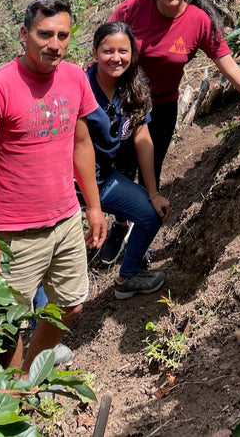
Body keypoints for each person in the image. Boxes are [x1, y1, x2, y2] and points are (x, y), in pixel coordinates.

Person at [100, 0, 240, 264]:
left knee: (152, 171)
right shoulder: (134, 8)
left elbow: (228, 65)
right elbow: (106, 47)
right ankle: (120, 224)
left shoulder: (198, 21)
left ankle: (141, 232)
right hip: (123, 105)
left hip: (161, 107)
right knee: (121, 167)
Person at [0, 0, 107, 376]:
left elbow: (80, 144)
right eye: (44, 34)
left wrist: (92, 206)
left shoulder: (75, 77)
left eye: (62, 35)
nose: (54, 45)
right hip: (13, 232)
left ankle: (27, 374)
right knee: (7, 322)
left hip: (65, 220)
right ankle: (8, 396)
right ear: (24, 34)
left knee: (72, 304)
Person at [83, 21, 171, 298]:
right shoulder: (80, 86)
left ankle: (128, 276)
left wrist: (153, 192)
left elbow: (142, 140)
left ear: (132, 53)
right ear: (96, 52)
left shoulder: (132, 87)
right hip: (67, 187)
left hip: (103, 179)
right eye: (108, 51)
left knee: (150, 213)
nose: (116, 58)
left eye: (123, 51)